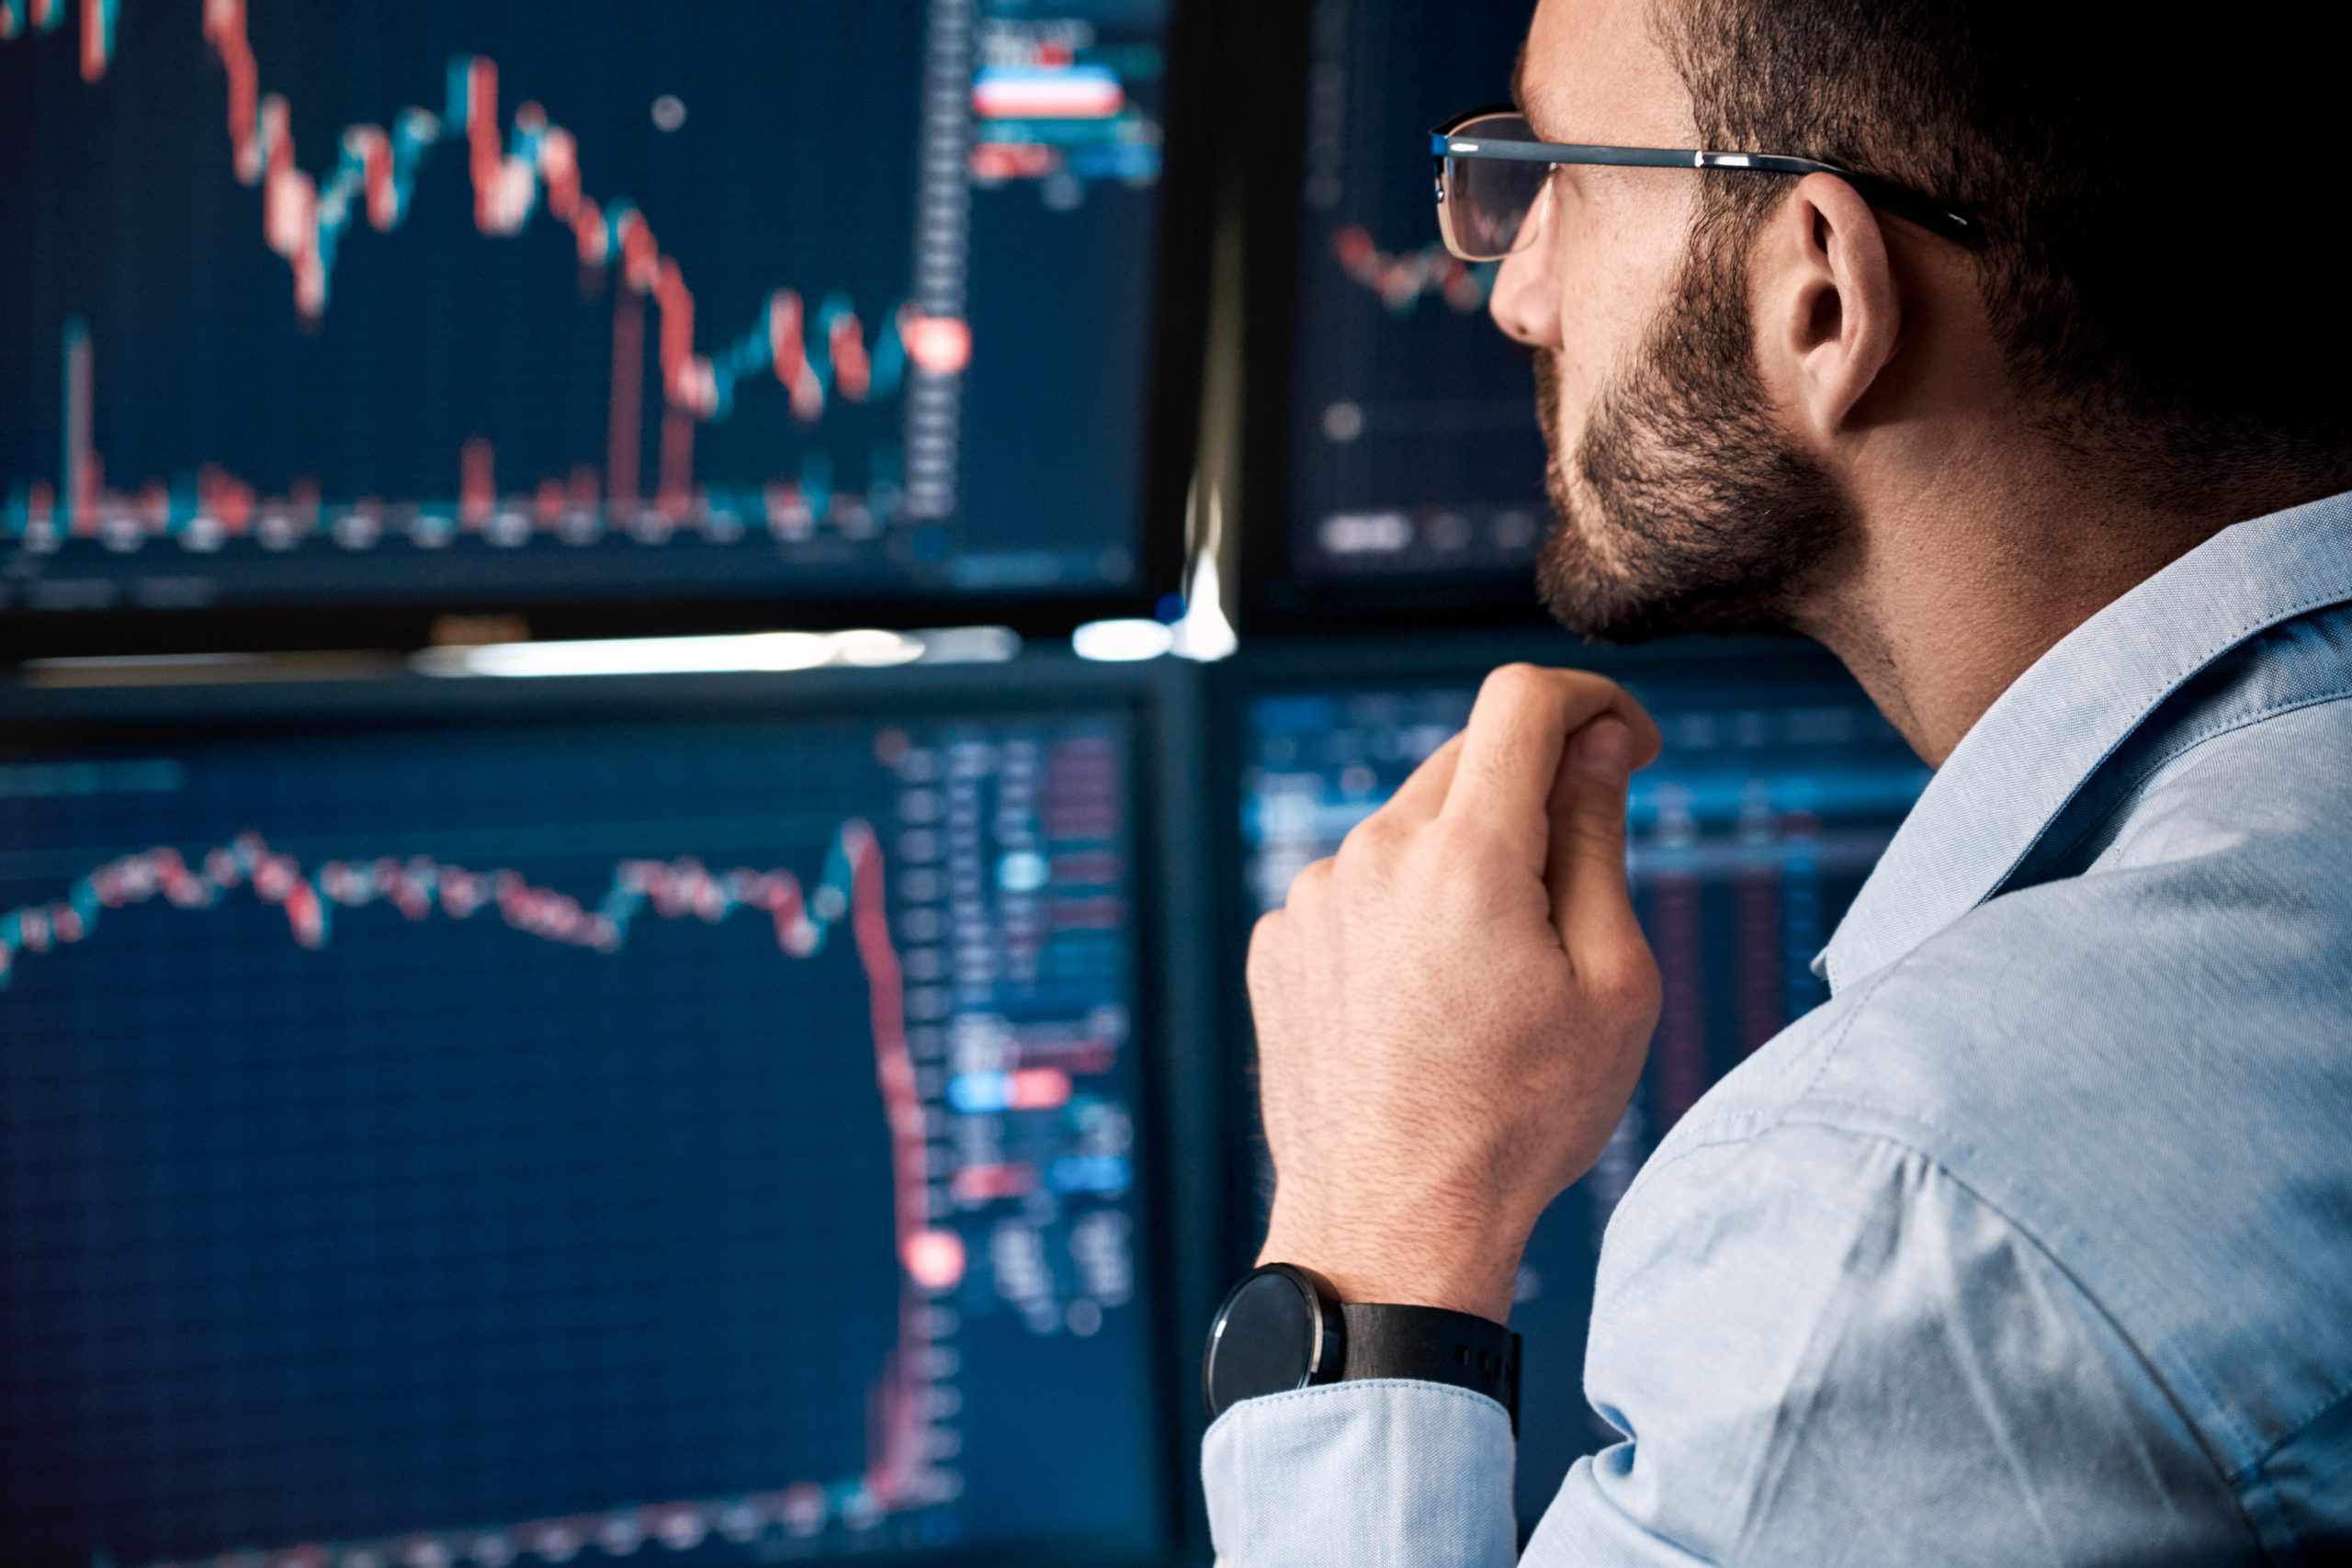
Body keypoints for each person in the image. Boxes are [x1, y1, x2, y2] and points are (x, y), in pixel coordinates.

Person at [1200, 0, 2352, 1561]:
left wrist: (1371, 1243)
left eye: (1552, 175)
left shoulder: (1903, 1214)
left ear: (1821, 291)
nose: (1516, 291)